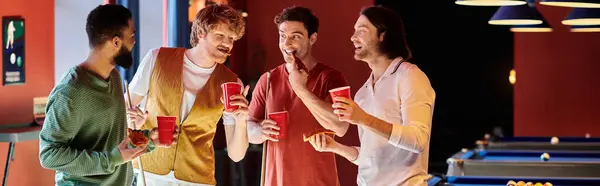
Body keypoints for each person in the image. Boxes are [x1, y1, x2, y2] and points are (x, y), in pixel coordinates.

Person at [305, 5, 436, 186]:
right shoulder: (363, 93)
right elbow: (368, 157)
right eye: (354, 31)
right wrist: (335, 147)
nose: (353, 37)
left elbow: (418, 140)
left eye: (362, 30)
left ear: (383, 35)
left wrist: (363, 118)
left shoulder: (410, 76)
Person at [39, 4, 165, 186]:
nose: (134, 42)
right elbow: (49, 154)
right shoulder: (71, 92)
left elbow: (112, 143)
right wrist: (110, 159)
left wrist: (148, 140)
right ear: (115, 42)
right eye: (132, 36)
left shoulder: (113, 77)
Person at [125, 4, 250, 186]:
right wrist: (133, 124)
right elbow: (122, 107)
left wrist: (241, 121)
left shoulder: (231, 83)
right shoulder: (157, 58)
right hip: (148, 173)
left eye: (231, 38)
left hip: (197, 179)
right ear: (201, 33)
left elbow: (236, 155)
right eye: (220, 36)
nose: (227, 44)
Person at [246, 6, 350, 186]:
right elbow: (248, 131)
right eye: (282, 36)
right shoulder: (268, 80)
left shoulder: (332, 78)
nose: (287, 44)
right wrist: (260, 131)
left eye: (295, 36)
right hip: (276, 181)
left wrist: (300, 89)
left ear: (313, 38)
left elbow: (341, 127)